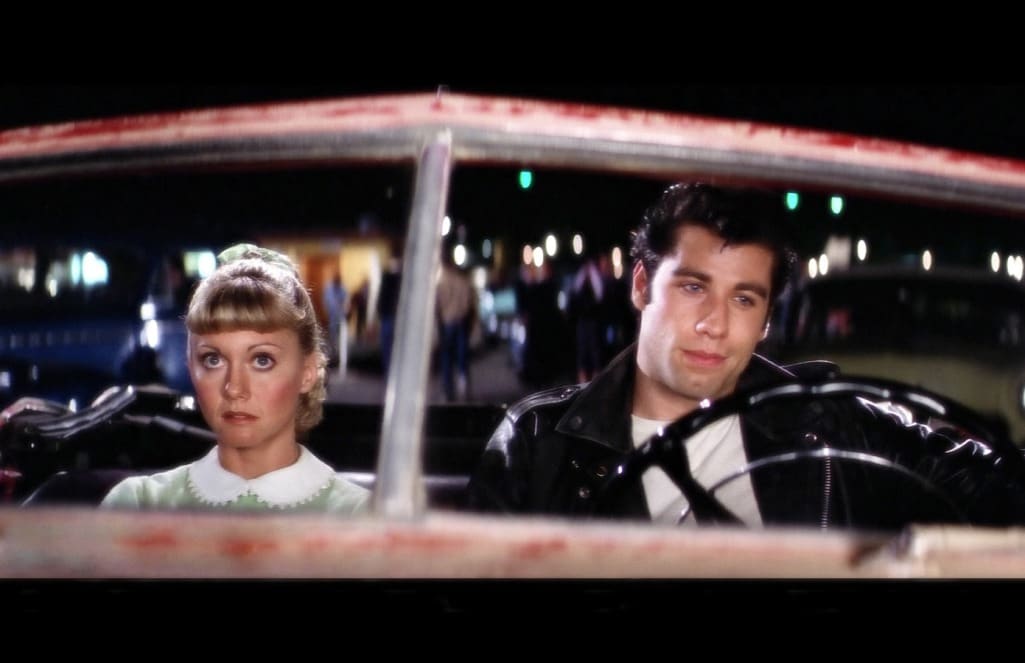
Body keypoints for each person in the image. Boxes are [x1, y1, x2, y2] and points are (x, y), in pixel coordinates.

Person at [466, 182, 1025, 528]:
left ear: (766, 320)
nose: (715, 324)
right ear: (641, 286)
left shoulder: (829, 424)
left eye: (743, 298)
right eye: (693, 287)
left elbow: (992, 484)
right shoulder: (540, 441)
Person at [101, 243, 370, 514]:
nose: (234, 388)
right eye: (213, 360)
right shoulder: (139, 503)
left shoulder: (359, 514)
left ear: (307, 372)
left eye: (262, 360)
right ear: (190, 366)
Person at [435, 251, 474, 402]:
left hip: (448, 321)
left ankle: (448, 390)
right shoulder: (463, 280)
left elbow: (438, 303)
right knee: (462, 355)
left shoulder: (442, 282)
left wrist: (441, 317)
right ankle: (464, 386)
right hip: (461, 320)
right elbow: (469, 301)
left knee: (447, 357)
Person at [322, 273, 349, 374]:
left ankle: (339, 360)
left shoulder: (342, 289)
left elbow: (346, 302)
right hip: (332, 317)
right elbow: (327, 302)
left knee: (339, 339)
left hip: (340, 317)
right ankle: (333, 359)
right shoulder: (329, 289)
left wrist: (343, 310)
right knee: (332, 338)